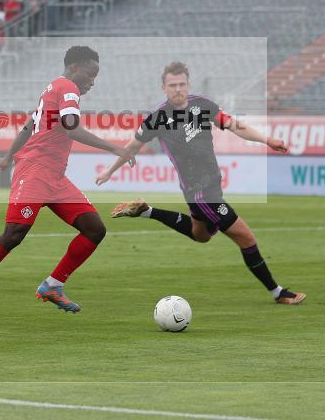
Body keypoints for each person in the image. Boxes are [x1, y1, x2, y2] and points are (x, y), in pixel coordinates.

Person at [96, 61, 306, 305]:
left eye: (181, 84)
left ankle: (147, 211)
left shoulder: (202, 105)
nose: (178, 89)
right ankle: (277, 292)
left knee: (201, 235)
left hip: (208, 186)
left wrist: (267, 140)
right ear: (163, 87)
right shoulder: (157, 118)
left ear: (188, 84)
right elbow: (132, 147)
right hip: (200, 191)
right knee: (246, 238)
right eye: (172, 85)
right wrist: (110, 171)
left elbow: (235, 125)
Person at [0, 46, 135, 324]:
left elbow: (30, 124)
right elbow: (71, 127)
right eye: (91, 73)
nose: (92, 82)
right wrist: (117, 149)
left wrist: (7, 156)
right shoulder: (68, 88)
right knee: (14, 234)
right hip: (35, 171)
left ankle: (52, 285)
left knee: (94, 229)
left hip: (55, 177)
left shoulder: (53, 88)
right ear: (75, 67)